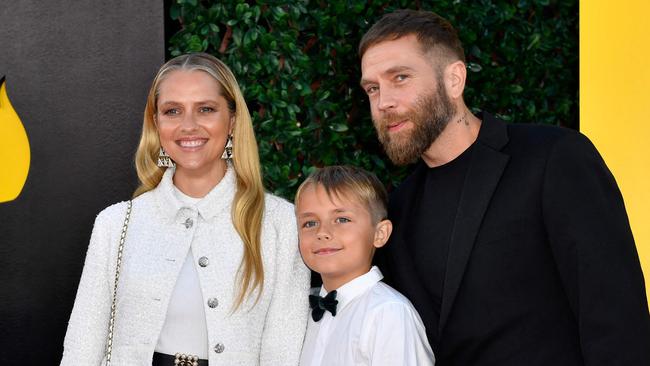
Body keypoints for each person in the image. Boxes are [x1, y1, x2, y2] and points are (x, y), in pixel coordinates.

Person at [358, 9, 650, 366]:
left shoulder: (552, 158)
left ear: (454, 80)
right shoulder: (398, 210)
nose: (383, 102)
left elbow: (615, 315)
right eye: (372, 88)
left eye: (400, 78)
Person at [60, 53, 310, 365]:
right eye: (172, 111)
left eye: (205, 109)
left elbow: (283, 351)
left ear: (232, 121)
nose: (188, 126)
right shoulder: (116, 223)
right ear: (156, 123)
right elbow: (82, 345)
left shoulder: (278, 223)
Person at [295, 165, 435, 366]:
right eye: (309, 223)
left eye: (342, 219)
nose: (322, 232)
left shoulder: (388, 313)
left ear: (379, 234)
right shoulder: (299, 315)